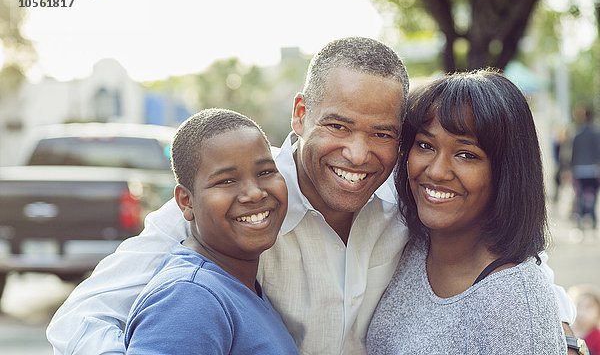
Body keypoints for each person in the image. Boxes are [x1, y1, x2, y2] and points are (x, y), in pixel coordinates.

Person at [47, 38, 575, 355]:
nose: (358, 153)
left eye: (383, 133)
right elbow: (81, 316)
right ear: (300, 114)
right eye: (337, 125)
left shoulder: (410, 197)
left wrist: (558, 315)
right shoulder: (238, 203)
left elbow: (513, 278)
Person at [367, 70, 567, 354]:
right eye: (425, 145)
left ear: (506, 172)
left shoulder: (512, 302)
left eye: (466, 154)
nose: (436, 171)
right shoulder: (406, 240)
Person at [124, 109, 298, 354]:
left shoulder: (234, 284)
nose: (255, 193)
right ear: (186, 201)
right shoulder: (189, 297)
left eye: (265, 172)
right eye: (226, 181)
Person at [571, 105, 600, 231]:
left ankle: (581, 217)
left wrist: (572, 170)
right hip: (593, 169)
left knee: (580, 194)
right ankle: (592, 217)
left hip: (579, 169)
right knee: (593, 194)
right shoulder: (596, 134)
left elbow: (574, 154)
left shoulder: (578, 134)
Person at [569, 284, 600, 355]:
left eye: (588, 307)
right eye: (578, 306)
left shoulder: (598, 340)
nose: (582, 312)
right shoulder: (567, 334)